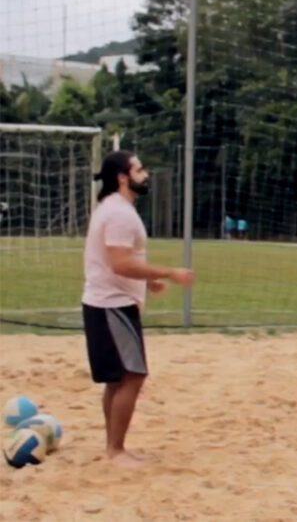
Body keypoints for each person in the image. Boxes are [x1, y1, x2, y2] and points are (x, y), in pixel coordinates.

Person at [82, 150, 193, 468]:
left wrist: (146, 283)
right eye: (139, 169)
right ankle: (116, 450)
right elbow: (120, 263)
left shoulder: (113, 208)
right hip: (112, 305)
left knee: (117, 379)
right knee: (133, 376)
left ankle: (113, 447)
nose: (145, 175)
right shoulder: (119, 213)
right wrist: (167, 272)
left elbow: (116, 262)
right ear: (122, 177)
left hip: (106, 302)